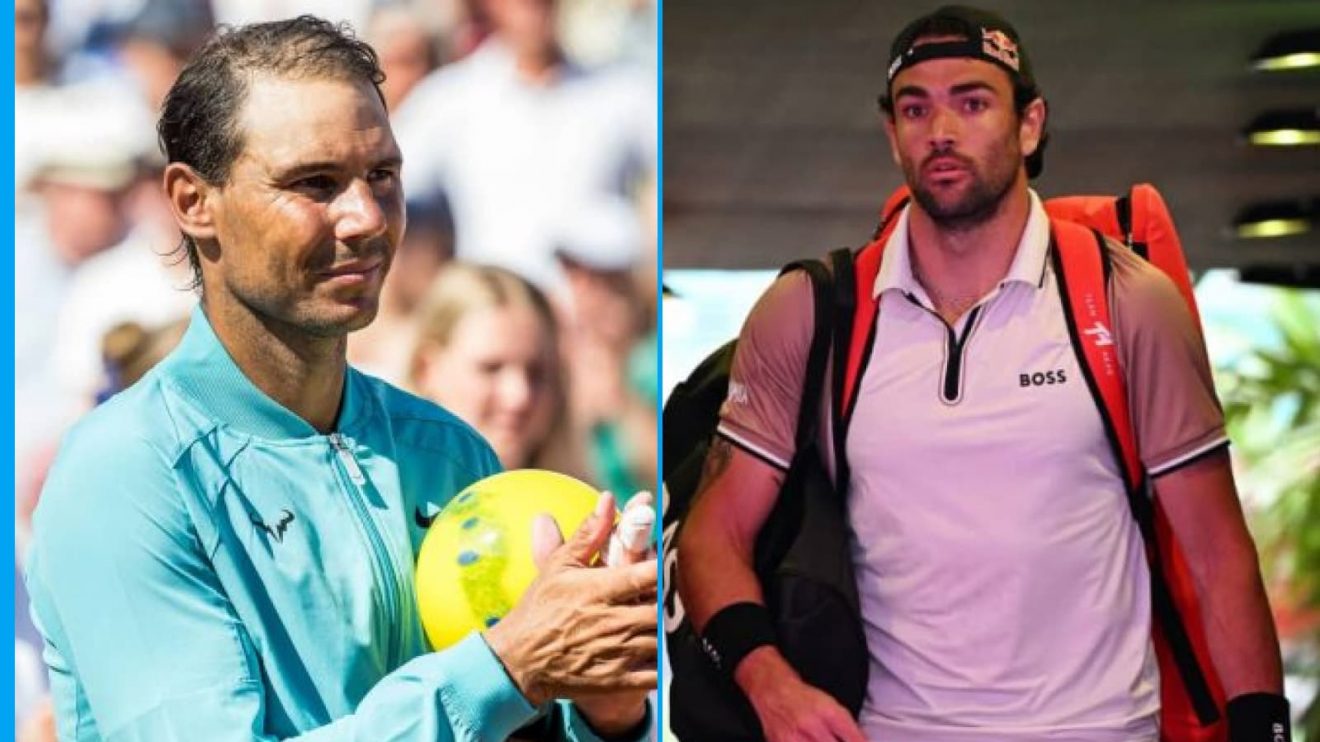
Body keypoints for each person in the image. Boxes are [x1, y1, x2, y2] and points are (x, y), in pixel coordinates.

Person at [24, 16, 656, 742]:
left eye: (381, 176)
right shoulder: (122, 473)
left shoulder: (449, 453)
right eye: (315, 183)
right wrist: (505, 668)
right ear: (195, 204)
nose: (364, 218)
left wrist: (606, 710)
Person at [675, 6, 1286, 742]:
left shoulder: (1128, 302)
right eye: (915, 107)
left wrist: (1265, 730)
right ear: (891, 133)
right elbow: (714, 533)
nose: (941, 131)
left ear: (1030, 126)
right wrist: (769, 683)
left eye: (972, 101)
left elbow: (1219, 554)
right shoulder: (810, 311)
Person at [408, 263, 573, 473]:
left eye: (537, 373)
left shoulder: (580, 502)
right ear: (427, 369)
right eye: (491, 368)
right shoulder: (383, 498)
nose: (519, 396)